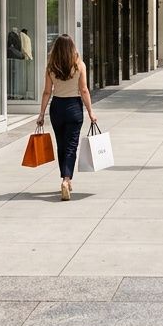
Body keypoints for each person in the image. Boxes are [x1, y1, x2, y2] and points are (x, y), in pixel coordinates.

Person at [34, 34, 96, 201]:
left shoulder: (51, 67)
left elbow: (47, 92)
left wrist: (41, 114)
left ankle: (65, 177)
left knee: (61, 145)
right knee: (71, 146)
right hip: (74, 108)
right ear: (72, 48)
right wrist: (91, 112)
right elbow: (84, 90)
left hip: (57, 108)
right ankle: (66, 180)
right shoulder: (79, 65)